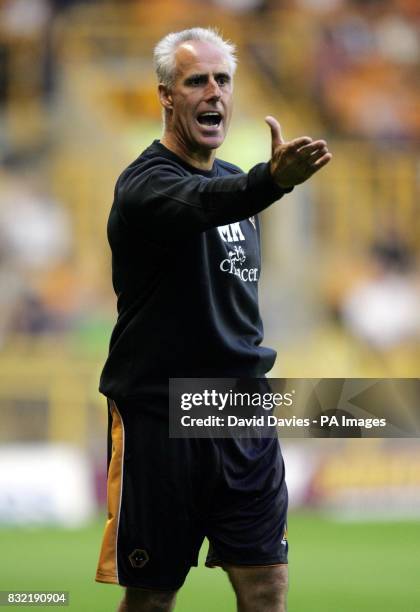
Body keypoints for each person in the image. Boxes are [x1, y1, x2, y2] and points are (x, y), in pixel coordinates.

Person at [95, 27, 332, 612]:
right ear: (166, 97)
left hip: (241, 410)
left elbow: (225, 208)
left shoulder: (237, 188)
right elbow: (199, 204)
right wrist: (269, 182)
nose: (213, 93)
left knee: (266, 585)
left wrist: (258, 184)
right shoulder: (145, 187)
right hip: (161, 412)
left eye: (222, 80)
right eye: (195, 80)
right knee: (152, 596)